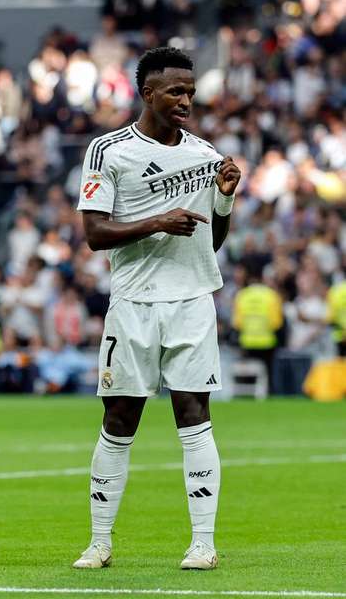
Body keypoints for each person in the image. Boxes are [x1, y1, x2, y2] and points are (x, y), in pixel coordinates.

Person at [74, 47, 241, 571]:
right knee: (120, 418)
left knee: (195, 417)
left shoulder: (206, 155)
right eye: (175, 91)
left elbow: (210, 242)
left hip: (192, 299)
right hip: (132, 304)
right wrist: (155, 222)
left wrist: (225, 201)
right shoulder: (108, 151)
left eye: (190, 91)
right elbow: (94, 234)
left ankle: (203, 543)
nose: (186, 100)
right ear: (148, 93)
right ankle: (100, 541)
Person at [232, 270, 284, 379]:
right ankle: (268, 392)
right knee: (267, 375)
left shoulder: (242, 295)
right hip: (267, 342)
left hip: (247, 341)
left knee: (248, 375)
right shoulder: (271, 295)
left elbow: (237, 324)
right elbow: (277, 323)